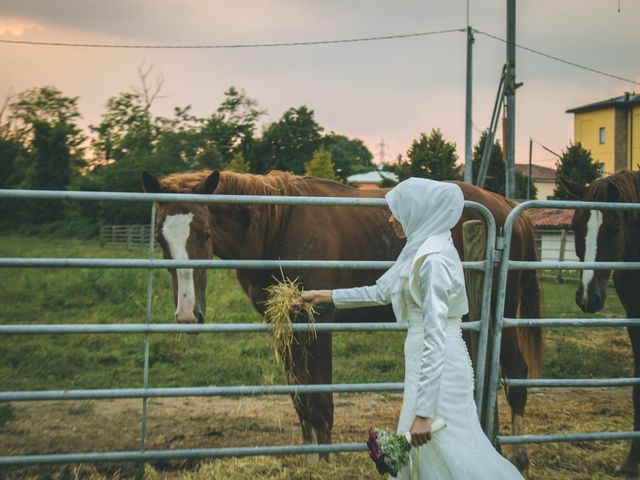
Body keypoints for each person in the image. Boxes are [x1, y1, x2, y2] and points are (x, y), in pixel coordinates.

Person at [300, 178, 522, 479]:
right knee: (433, 455)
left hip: (439, 370)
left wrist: (424, 412)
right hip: (425, 364)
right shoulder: (420, 248)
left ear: (416, 212)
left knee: (450, 450)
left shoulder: (432, 262)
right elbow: (381, 292)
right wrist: (325, 296)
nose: (390, 219)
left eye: (396, 212)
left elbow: (436, 337)